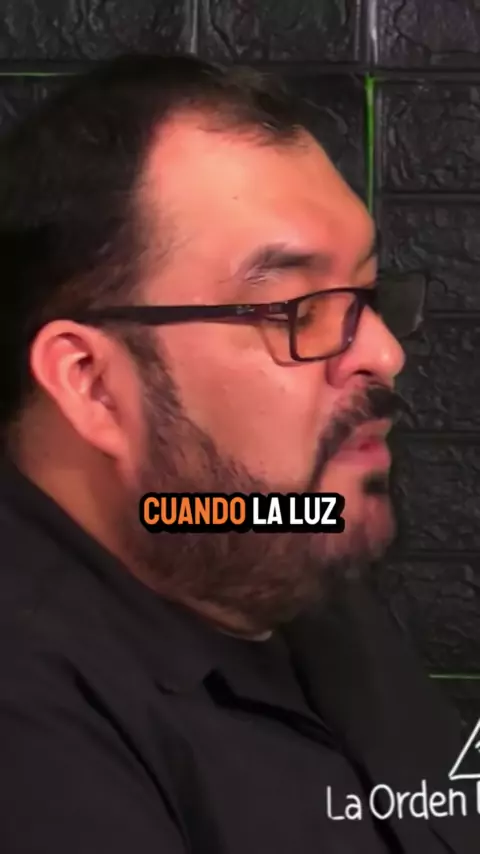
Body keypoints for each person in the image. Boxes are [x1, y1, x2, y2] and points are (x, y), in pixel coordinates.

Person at [0, 54, 476, 854]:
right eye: (295, 308)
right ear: (93, 383)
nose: (384, 354)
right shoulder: (31, 726)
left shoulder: (268, 535)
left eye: (366, 296)